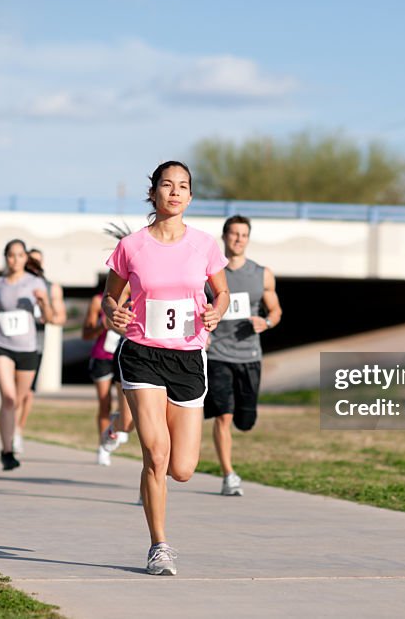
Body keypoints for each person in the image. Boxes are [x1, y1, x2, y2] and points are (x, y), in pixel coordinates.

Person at [104, 161, 229, 575]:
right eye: (166, 185)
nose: (175, 192)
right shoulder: (132, 246)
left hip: (189, 359)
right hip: (142, 353)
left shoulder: (205, 245)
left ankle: (156, 493)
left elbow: (222, 292)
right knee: (156, 454)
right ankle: (159, 545)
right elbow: (110, 297)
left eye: (183, 187)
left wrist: (216, 311)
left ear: (190, 196)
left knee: (183, 469)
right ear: (154, 193)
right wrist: (113, 315)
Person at [204, 215, 283, 496]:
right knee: (223, 415)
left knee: (245, 422)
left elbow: (275, 310)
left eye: (243, 235)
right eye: (234, 234)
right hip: (218, 354)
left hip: (249, 355)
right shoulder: (210, 273)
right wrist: (204, 331)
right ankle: (228, 475)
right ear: (224, 237)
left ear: (248, 239)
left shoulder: (262, 274)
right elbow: (194, 304)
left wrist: (267, 322)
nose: (238, 239)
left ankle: (241, 424)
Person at [0, 239, 51, 470]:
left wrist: (43, 301)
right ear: (6, 257)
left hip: (27, 348)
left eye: (20, 255)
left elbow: (47, 317)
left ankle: (16, 431)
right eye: (11, 255)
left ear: (25, 258)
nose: (15, 259)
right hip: (0, 344)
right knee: (9, 398)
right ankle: (7, 450)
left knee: (20, 399)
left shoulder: (36, 282)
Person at [14, 247, 66, 453]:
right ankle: (11, 427)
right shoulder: (12, 283)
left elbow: (59, 319)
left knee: (27, 392)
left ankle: (18, 429)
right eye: (30, 262)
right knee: (11, 392)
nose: (34, 266)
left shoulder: (51, 287)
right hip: (10, 342)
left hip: (35, 343)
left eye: (38, 262)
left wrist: (45, 307)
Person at [82, 283, 132, 465]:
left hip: (126, 355)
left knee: (126, 406)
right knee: (105, 403)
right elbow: (85, 334)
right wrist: (102, 326)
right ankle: (103, 448)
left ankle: (119, 424)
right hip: (102, 356)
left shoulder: (139, 294)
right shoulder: (99, 301)